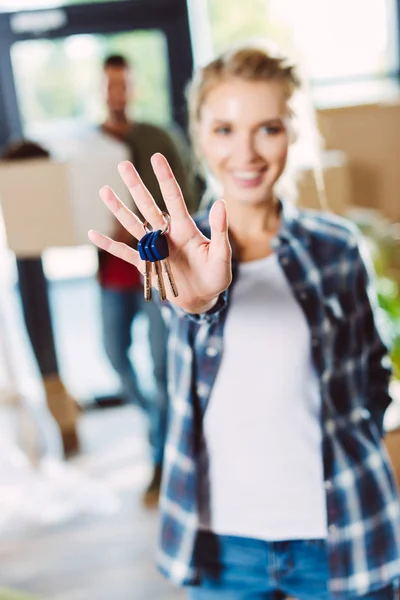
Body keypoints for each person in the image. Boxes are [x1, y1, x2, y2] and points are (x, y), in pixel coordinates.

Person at [89, 43, 400, 599]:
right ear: (200, 135)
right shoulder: (179, 258)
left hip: (341, 540)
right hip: (222, 549)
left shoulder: (337, 249)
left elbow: (372, 375)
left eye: (269, 128)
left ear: (294, 134)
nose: (247, 153)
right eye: (225, 129)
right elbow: (191, 328)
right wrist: (200, 303)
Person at [98, 54, 196, 507]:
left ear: (132, 88)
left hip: (156, 274)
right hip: (111, 274)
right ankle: (157, 420)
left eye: (123, 85)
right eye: (109, 86)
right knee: (116, 359)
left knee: (161, 367)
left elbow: (188, 202)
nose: (116, 94)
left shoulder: (157, 138)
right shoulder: (90, 145)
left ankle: (162, 460)